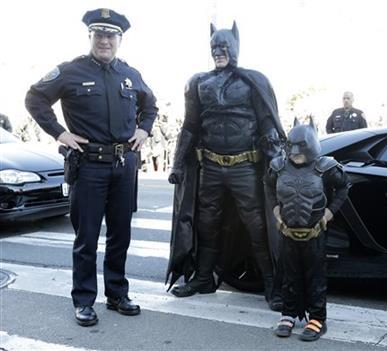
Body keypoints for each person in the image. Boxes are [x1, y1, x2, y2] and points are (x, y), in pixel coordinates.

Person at [25, 8, 158, 326]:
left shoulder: (130, 74)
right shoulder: (69, 71)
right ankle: (84, 300)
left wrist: (144, 129)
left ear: (119, 40)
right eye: (99, 34)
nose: (105, 41)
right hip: (89, 166)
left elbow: (150, 104)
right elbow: (35, 98)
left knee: (120, 234)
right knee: (86, 237)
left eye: (111, 36)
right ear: (90, 37)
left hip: (124, 165)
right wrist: (60, 132)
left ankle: (117, 294)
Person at [166, 22, 285, 310]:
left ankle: (273, 283)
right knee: (206, 223)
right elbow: (191, 126)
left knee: (257, 225)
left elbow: (267, 121)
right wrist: (178, 163)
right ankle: (204, 277)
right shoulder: (199, 83)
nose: (219, 52)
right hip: (211, 166)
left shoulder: (253, 81)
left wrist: (277, 159)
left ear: (235, 47)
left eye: (224, 47)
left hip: (246, 166)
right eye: (214, 47)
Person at [265, 118, 349, 342]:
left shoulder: (326, 167)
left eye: (300, 147)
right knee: (288, 275)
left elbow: (343, 188)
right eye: (291, 147)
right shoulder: (278, 166)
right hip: (288, 232)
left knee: (316, 277)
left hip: (315, 233)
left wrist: (329, 213)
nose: (294, 152)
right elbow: (268, 186)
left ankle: (317, 318)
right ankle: (289, 314)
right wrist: (276, 211)